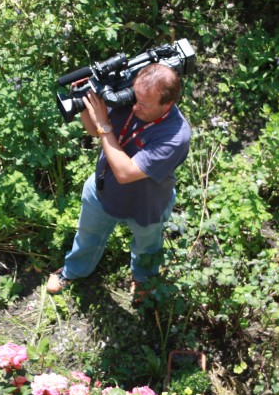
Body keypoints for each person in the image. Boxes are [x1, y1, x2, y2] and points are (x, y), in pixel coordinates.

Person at [46, 63, 191, 300]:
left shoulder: (176, 135)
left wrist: (104, 125)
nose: (134, 107)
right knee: (87, 235)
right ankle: (73, 270)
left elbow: (125, 172)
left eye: (143, 104)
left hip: (146, 204)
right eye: (135, 97)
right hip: (103, 189)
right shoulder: (126, 96)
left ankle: (143, 281)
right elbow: (94, 130)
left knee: (147, 248)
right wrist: (84, 103)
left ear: (167, 104)